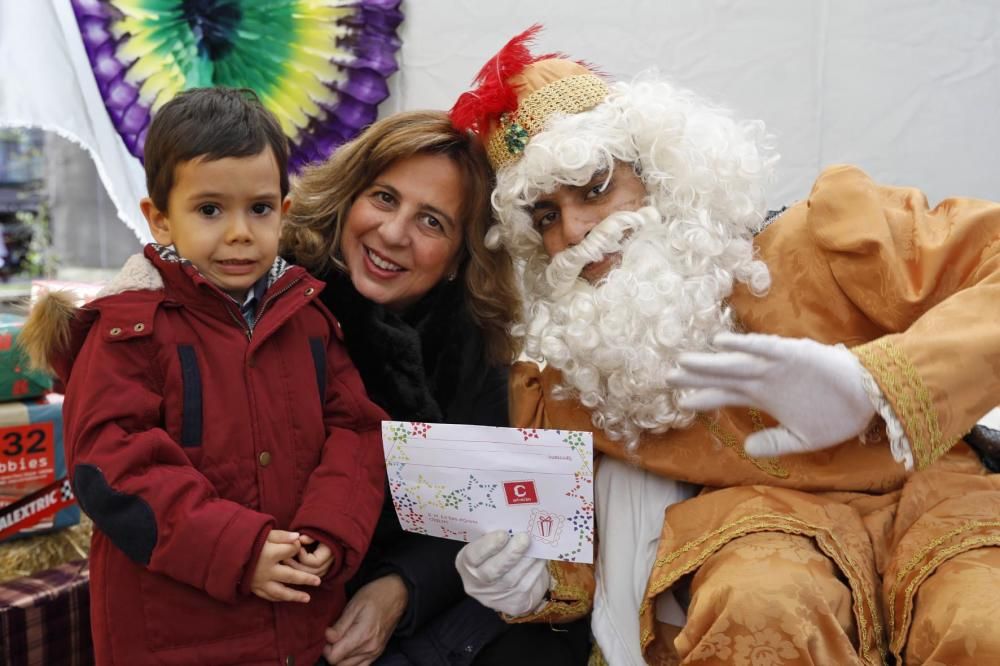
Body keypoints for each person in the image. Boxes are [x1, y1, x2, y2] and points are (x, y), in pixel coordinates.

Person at [449, 27, 1000, 665]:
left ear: (657, 172)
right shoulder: (575, 376)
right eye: (545, 216)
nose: (575, 230)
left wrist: (876, 381)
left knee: (980, 621)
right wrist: (526, 585)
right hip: (761, 531)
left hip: (937, 501)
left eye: (595, 187)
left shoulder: (817, 238)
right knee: (755, 611)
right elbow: (573, 560)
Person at [21, 87, 387, 665]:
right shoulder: (129, 328)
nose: (240, 232)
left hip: (296, 627)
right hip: (173, 636)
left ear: (284, 213)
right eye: (210, 210)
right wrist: (240, 549)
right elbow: (111, 462)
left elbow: (360, 432)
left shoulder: (307, 317)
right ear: (160, 219)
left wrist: (330, 530)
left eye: (259, 208)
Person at [281, 110, 591, 665]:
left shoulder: (471, 344)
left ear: (457, 259)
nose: (394, 233)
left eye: (432, 223)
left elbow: (483, 507)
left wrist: (401, 587)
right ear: (348, 195)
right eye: (383, 198)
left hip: (401, 613)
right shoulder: (274, 292)